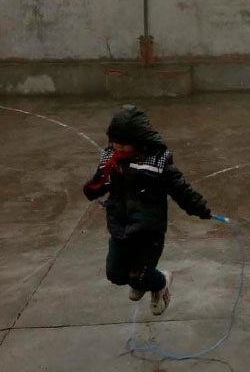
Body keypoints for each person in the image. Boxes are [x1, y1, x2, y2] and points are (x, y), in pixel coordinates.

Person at [81, 104, 213, 315]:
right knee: (115, 274)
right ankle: (143, 281)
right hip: (120, 228)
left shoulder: (157, 163)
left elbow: (180, 189)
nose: (119, 147)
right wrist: (93, 187)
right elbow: (100, 184)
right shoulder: (110, 159)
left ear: (140, 141)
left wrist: (199, 208)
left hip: (148, 232)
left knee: (139, 276)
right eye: (116, 142)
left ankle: (161, 283)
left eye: (125, 144)